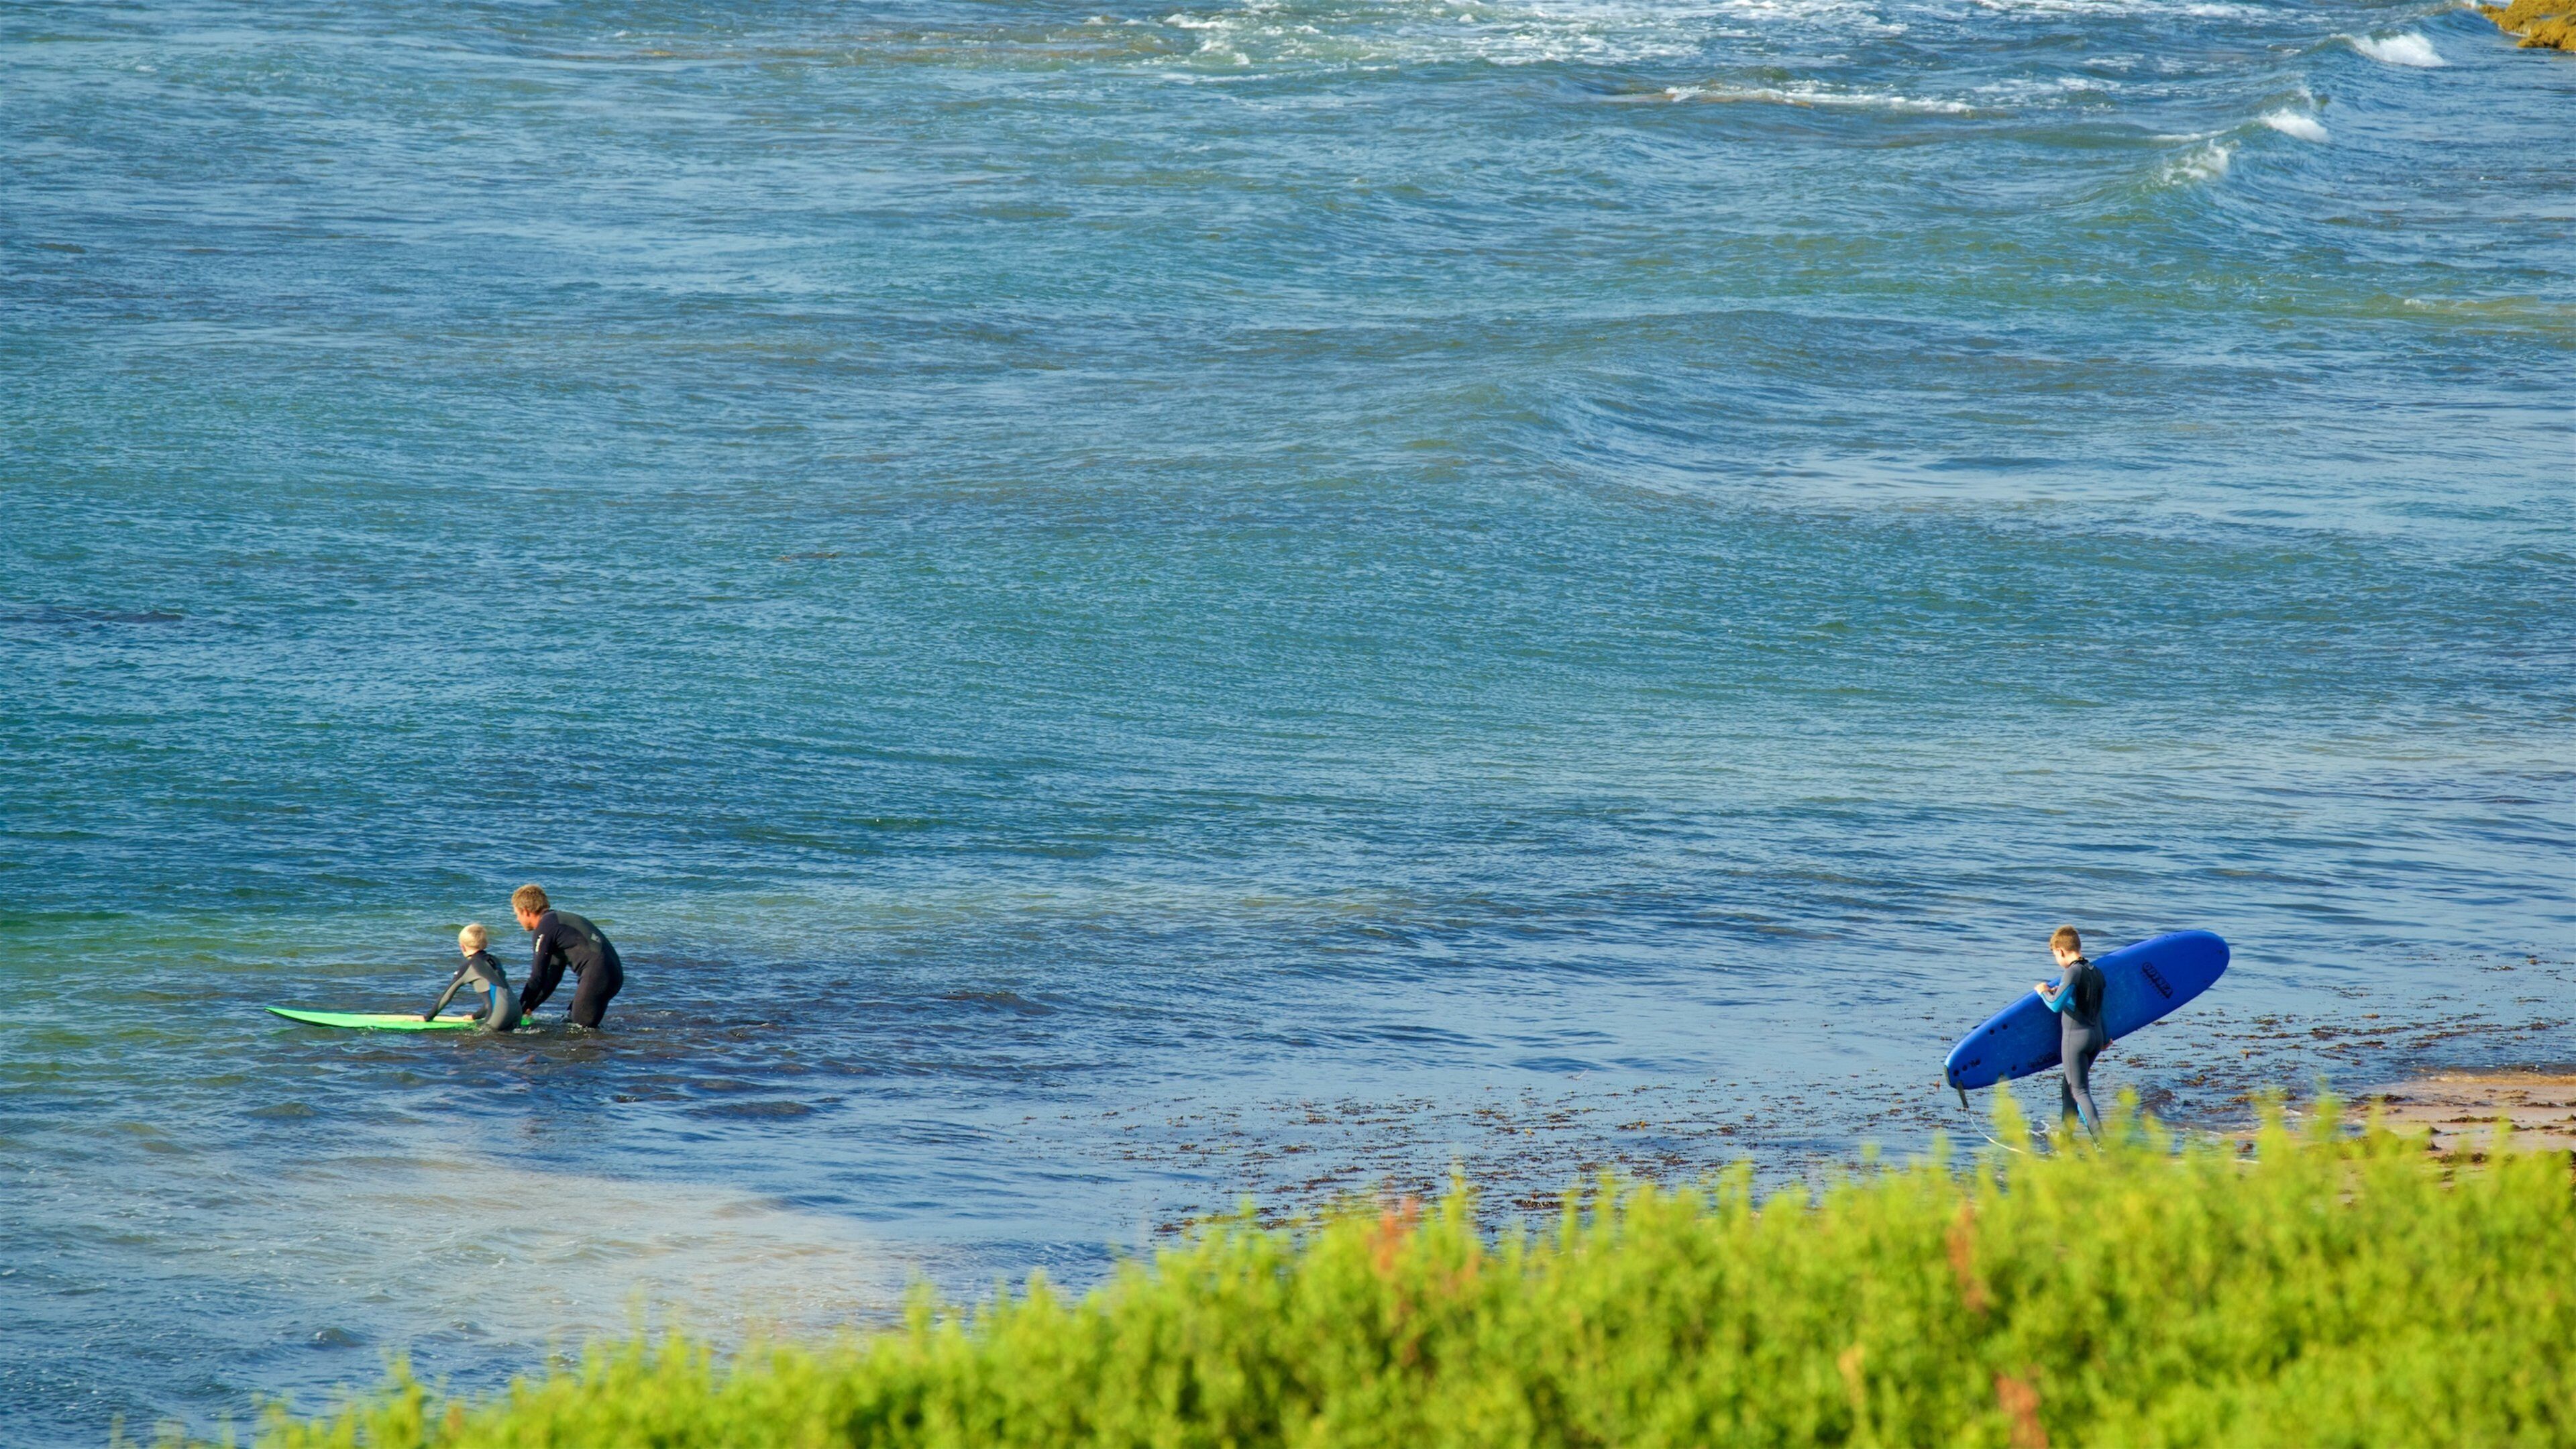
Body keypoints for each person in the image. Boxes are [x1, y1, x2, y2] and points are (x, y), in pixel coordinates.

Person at [511, 883, 625, 1028]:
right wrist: (530, 1006)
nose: (517, 920)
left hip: (598, 975)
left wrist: (517, 1011)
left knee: (581, 1031)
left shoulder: (545, 927)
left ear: (526, 911)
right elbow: (553, 977)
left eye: (517, 914)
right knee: (571, 1021)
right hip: (612, 974)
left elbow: (537, 977)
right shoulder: (555, 923)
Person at [2035, 924, 2106, 1136]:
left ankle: (2102, 1144)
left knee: (2079, 1091)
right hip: (2096, 1036)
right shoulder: (2096, 972)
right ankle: (2066, 1139)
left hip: (2075, 1039)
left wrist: (2044, 992)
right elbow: (2098, 1008)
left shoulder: (2072, 972)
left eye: (2055, 955)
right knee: (2069, 1087)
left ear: (2061, 951)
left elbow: (2056, 1005)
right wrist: (2106, 1035)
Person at [424, 922, 519, 1031]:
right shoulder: (494, 960)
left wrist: (428, 1017)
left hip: (500, 1011)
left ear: (463, 947)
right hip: (516, 1008)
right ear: (485, 943)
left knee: (483, 1041)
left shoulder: (470, 966)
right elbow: (496, 997)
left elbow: (448, 994)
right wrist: (476, 1016)